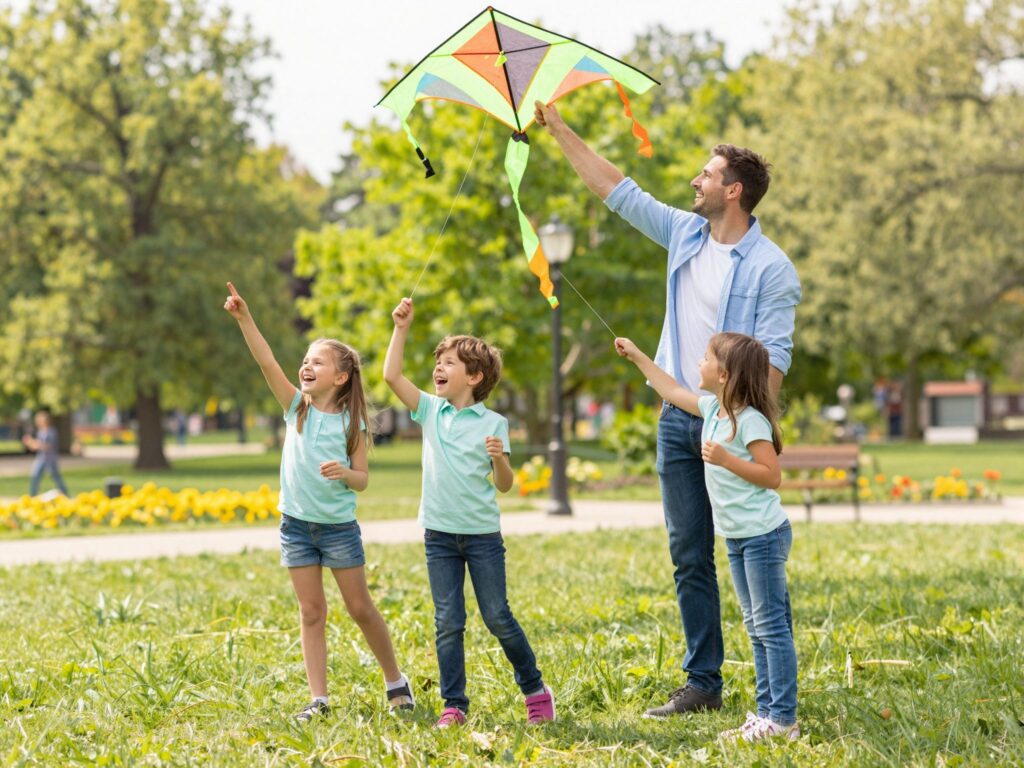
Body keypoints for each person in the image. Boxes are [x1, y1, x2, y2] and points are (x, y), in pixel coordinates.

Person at [535, 100, 801, 718]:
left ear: (732, 191)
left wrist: (729, 417)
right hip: (676, 417)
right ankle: (704, 683)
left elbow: (774, 364)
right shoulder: (685, 232)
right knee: (689, 555)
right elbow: (617, 190)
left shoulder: (771, 269)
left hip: (729, 427)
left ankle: (773, 686)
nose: (694, 182)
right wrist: (558, 128)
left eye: (706, 175)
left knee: (748, 548)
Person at [223, 282, 413, 722]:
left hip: (338, 529)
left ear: (341, 377)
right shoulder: (296, 408)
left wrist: (346, 474)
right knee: (311, 611)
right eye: (305, 360)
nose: (306, 366)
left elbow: (362, 480)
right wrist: (244, 318)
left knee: (360, 608)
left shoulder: (353, 424)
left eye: (317, 362)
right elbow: (266, 360)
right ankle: (319, 700)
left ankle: (395, 681)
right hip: (295, 526)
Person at [616, 332, 799, 742]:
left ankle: (783, 719)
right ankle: (767, 714)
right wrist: (638, 356)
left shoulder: (750, 420)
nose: (698, 364)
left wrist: (727, 460)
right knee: (755, 626)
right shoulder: (712, 409)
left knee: (770, 627)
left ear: (724, 373)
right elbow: (671, 388)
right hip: (738, 538)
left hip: (763, 538)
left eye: (705, 358)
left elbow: (773, 476)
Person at [383, 297, 554, 728]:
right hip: (438, 536)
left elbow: (504, 484)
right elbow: (391, 375)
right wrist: (401, 328)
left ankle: (534, 687)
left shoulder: (493, 424)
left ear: (474, 376)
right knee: (448, 621)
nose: (439, 368)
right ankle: (454, 705)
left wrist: (499, 459)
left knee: (497, 615)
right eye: (438, 361)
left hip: (481, 537)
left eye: (450, 363)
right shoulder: (429, 410)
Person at [23, 411, 69, 497]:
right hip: (41, 458)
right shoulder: (40, 432)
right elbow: (36, 447)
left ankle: (66, 495)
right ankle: (32, 496)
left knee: (57, 478)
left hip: (50, 459)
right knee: (35, 477)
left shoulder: (51, 432)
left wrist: (35, 442)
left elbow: (48, 446)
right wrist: (29, 443)